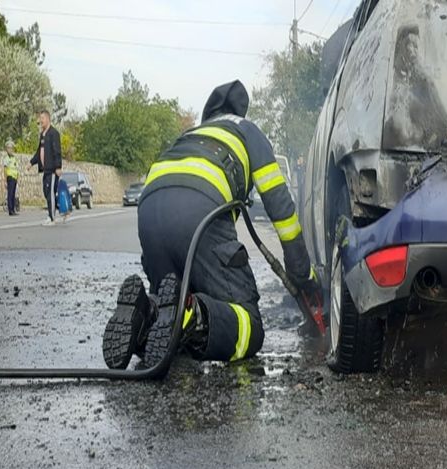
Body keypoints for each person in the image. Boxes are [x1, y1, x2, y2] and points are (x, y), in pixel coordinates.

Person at [101, 80, 322, 373]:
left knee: (168, 318)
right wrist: (302, 273)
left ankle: (145, 313)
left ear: (209, 112)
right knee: (249, 326)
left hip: (150, 208)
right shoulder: (246, 130)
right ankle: (194, 317)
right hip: (200, 209)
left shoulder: (190, 133)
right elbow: (280, 206)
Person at [29, 110, 62, 227]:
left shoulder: (54, 133)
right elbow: (39, 152)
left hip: (53, 169)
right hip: (45, 170)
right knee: (46, 192)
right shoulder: (43, 135)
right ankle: (52, 213)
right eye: (40, 118)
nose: (40, 120)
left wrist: (58, 167)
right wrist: (31, 163)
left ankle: (52, 218)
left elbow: (57, 151)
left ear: (48, 119)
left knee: (50, 194)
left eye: (42, 118)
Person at [3, 139, 19, 216]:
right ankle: (10, 210)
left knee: (13, 194)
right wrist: (5, 181)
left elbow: (16, 168)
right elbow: (5, 170)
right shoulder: (6, 158)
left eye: (11, 148)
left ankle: (13, 209)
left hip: (14, 178)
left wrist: (17, 177)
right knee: (10, 194)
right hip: (10, 178)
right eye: (9, 148)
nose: (10, 149)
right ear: (6, 149)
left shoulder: (14, 158)